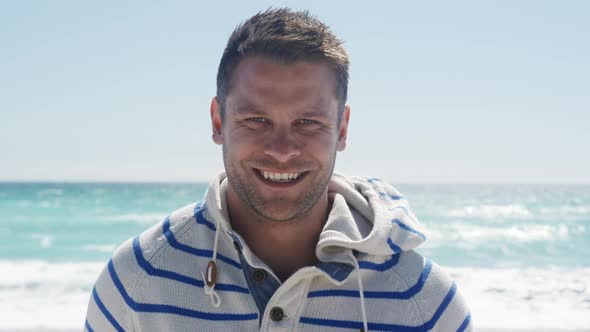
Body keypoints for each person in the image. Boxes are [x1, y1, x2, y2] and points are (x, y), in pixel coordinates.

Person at [85, 8, 472, 332]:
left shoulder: (424, 303)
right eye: (256, 120)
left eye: (308, 123)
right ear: (218, 121)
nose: (282, 151)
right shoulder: (137, 280)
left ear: (341, 129)